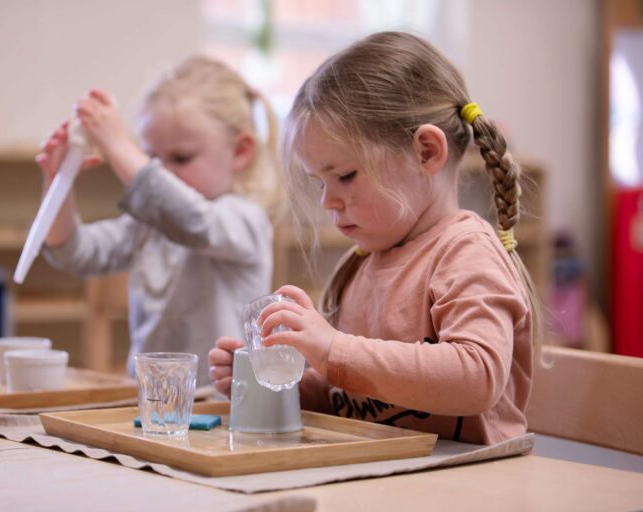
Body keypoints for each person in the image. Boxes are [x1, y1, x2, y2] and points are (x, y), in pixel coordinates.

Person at [209, 32, 542, 445]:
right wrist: (284, 381)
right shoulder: (363, 263)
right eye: (319, 184)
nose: (329, 202)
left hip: (471, 485)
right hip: (389, 474)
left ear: (425, 152)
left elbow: (477, 377)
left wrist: (334, 351)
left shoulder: (465, 251)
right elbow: (353, 400)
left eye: (346, 176)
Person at [36, 55, 281, 385]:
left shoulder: (245, 219)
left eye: (181, 157)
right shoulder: (149, 224)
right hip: (155, 406)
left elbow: (194, 222)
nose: (162, 172)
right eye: (151, 157)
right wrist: (58, 184)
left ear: (239, 151)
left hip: (223, 408)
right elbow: (74, 252)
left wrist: (118, 146)